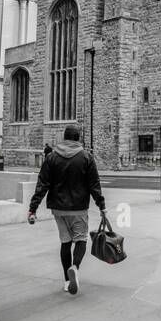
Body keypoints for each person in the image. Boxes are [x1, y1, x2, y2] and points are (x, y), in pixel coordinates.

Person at [28, 122, 106, 295]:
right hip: (78, 208)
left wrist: (33, 208)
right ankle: (75, 268)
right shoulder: (86, 157)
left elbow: (42, 184)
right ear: (78, 138)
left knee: (65, 242)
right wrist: (101, 206)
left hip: (58, 208)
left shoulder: (52, 157)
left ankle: (66, 281)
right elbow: (94, 185)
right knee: (81, 240)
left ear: (64, 138)